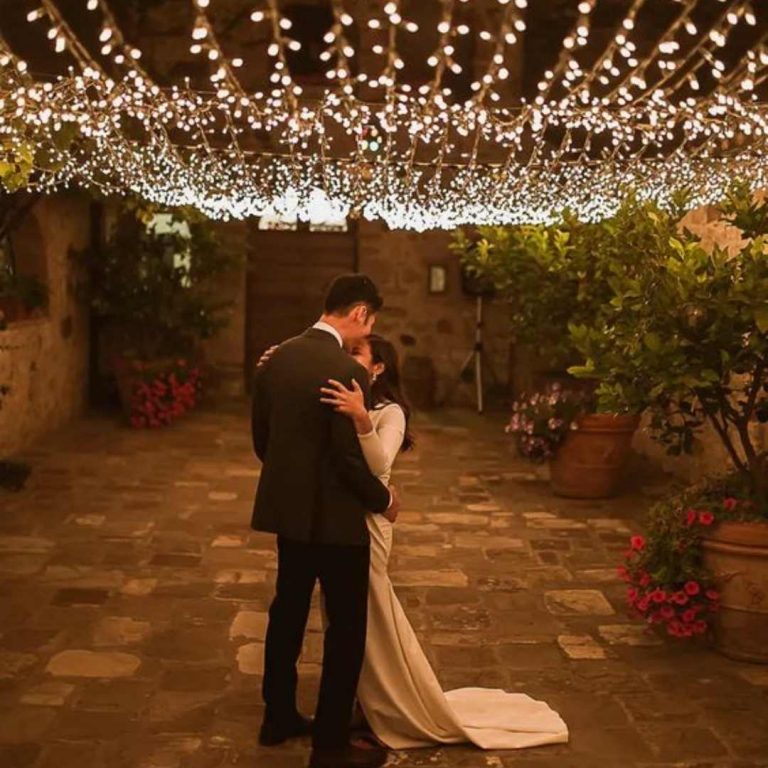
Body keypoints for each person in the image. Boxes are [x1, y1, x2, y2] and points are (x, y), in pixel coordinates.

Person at [319, 334, 570, 751]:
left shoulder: (389, 412)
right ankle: (362, 698)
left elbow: (380, 462)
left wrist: (362, 419)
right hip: (341, 520)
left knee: (370, 612)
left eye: (355, 353)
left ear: (377, 367)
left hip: (369, 525)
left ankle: (386, 700)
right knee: (341, 613)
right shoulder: (343, 399)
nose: (345, 358)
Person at [251, 274, 399, 768]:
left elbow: (262, 442)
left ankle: (278, 717)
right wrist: (382, 500)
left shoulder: (275, 359)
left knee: (286, 614)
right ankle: (330, 744)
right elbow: (348, 459)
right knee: (345, 629)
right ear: (359, 313)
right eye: (370, 321)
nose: (368, 331)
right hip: (338, 523)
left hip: (289, 516)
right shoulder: (345, 369)